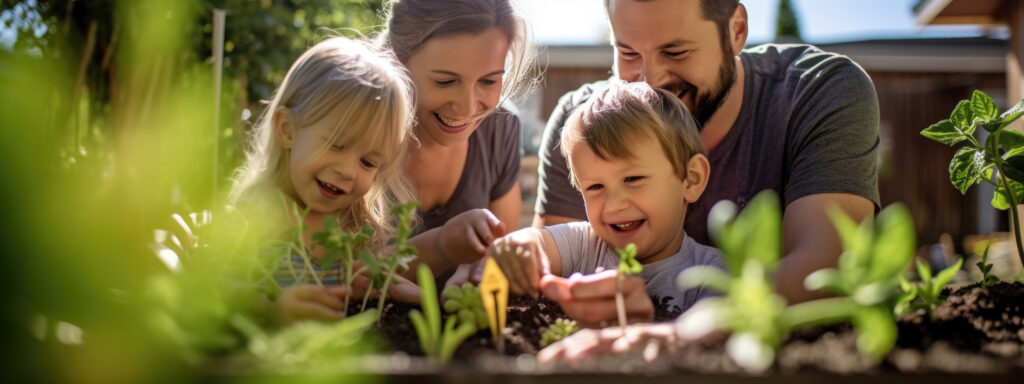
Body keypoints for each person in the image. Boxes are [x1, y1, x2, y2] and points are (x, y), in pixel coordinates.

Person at [533, 0, 879, 329]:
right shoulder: (581, 127)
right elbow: (552, 277)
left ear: (736, 31)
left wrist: (687, 331)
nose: (650, 80)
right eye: (628, 53)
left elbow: (826, 268)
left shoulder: (816, 92)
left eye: (676, 52)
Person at [228, 37, 494, 326]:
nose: (347, 171)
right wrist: (270, 309)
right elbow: (213, 294)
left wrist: (444, 243)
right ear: (287, 129)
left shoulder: (347, 222)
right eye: (336, 145)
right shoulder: (252, 216)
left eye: (368, 162)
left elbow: (379, 276)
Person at [489, 81, 722, 324]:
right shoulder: (583, 245)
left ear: (691, 180)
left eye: (633, 179)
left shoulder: (712, 273)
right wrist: (519, 248)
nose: (613, 205)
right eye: (595, 187)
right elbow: (536, 242)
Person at [377, 0, 540, 282]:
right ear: (398, 62)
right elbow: (337, 274)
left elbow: (500, 255)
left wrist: (487, 269)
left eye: (489, 81)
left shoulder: (499, 129)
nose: (466, 109)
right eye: (444, 81)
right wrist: (441, 246)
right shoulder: (357, 126)